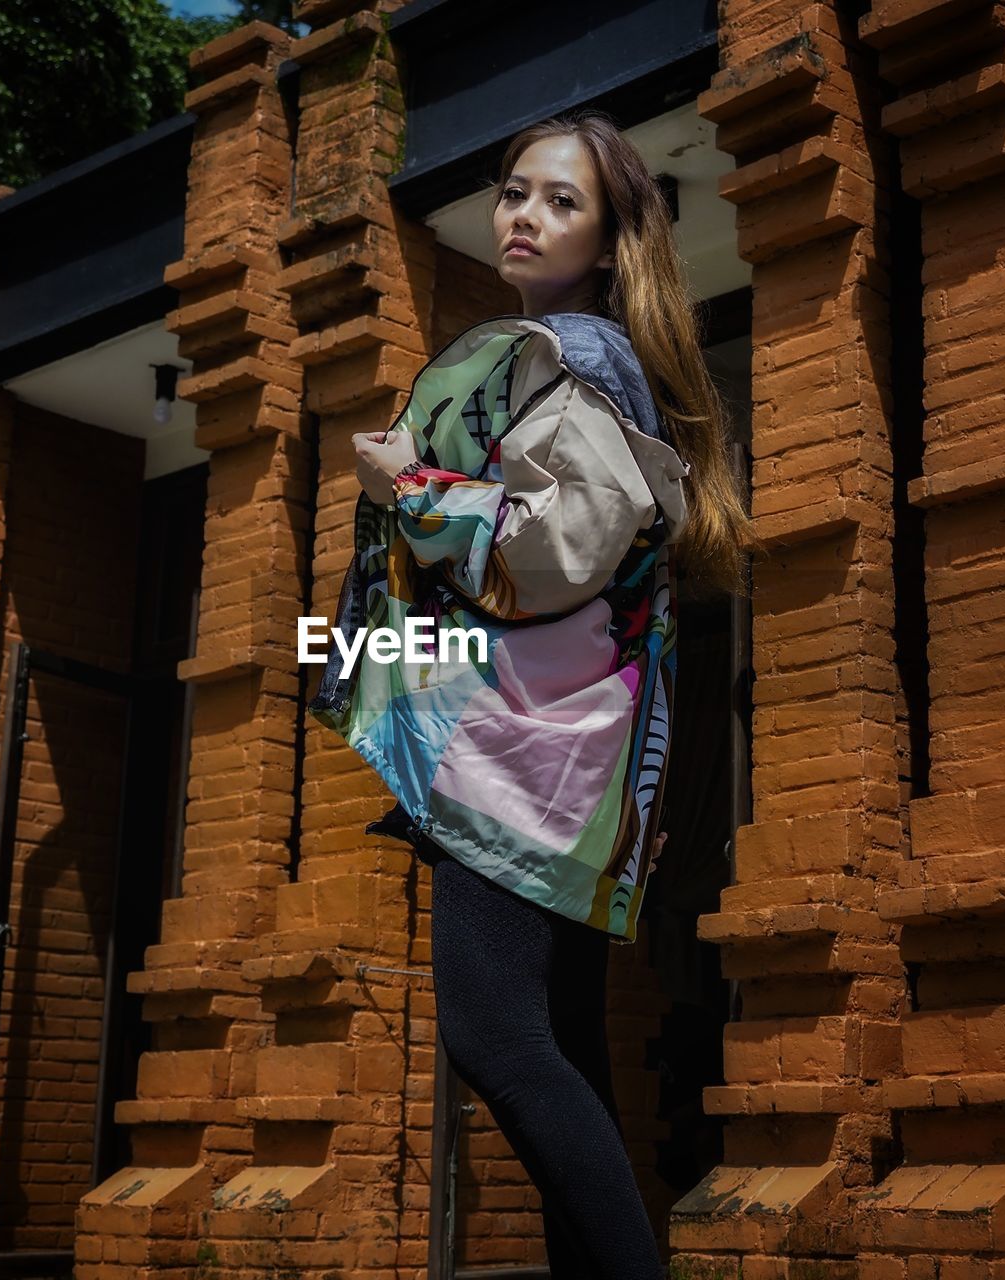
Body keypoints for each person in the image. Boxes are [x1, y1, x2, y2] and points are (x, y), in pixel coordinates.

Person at [309, 109, 755, 1279]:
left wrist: (410, 484)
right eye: (514, 191)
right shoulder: (560, 354)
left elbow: (555, 552)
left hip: (525, 758)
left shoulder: (577, 355)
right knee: (559, 1041)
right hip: (558, 752)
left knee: (494, 1035)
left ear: (610, 241)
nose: (524, 214)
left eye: (561, 200)